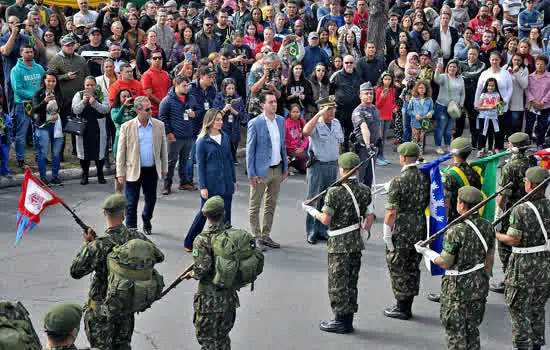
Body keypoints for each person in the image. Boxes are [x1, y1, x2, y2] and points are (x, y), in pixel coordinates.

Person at [70, 194, 164, 349]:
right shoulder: (136, 237)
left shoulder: (99, 245)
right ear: (124, 213)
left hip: (101, 309)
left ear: (105, 213)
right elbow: (159, 256)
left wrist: (87, 245)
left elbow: (75, 271)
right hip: (125, 305)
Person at [415, 186, 495, 350]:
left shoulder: (456, 230)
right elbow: (490, 257)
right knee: (472, 329)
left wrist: (427, 252)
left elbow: (445, 262)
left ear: (462, 205)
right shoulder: (487, 226)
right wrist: (484, 278)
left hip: (457, 287)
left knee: (455, 333)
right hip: (479, 282)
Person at [302, 152, 373, 333]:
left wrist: (310, 211)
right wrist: (363, 231)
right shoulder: (365, 190)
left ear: (341, 170)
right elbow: (370, 216)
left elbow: (325, 219)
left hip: (339, 244)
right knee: (351, 281)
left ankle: (341, 321)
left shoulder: (335, 192)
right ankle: (347, 319)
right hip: (356, 242)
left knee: (338, 284)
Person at [496, 167, 550, 350]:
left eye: (526, 181)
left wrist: (496, 235)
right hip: (544, 264)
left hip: (523, 266)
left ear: (532, 185)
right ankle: (536, 345)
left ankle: (522, 345)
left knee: (519, 309)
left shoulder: (521, 210)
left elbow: (513, 239)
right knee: (537, 308)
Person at [427, 137, 483, 303]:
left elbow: (445, 202)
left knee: (450, 258)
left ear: (453, 153)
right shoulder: (474, 171)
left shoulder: (450, 175)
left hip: (455, 220)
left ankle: (448, 291)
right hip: (472, 218)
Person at [183, 196, 240, 349]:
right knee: (222, 339)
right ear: (223, 213)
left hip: (209, 301)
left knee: (208, 342)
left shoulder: (201, 240)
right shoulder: (232, 236)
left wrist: (193, 274)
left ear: (204, 215)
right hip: (228, 298)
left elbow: (202, 269)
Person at [382, 142, 430, 320]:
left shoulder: (398, 181)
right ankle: (407, 303)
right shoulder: (424, 177)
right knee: (412, 265)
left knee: (398, 266)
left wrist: (387, 233)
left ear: (402, 158)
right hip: (419, 224)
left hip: (402, 227)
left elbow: (391, 212)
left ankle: (402, 307)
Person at [184, 109, 236, 251]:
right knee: (204, 213)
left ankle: (223, 244)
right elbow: (200, 166)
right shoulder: (202, 141)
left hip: (226, 182)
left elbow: (230, 160)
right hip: (211, 184)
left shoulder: (225, 137)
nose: (220, 122)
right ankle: (189, 241)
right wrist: (203, 187)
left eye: (221, 119)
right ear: (210, 122)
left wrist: (234, 180)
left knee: (226, 213)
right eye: (217, 120)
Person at [490, 132, 535, 294]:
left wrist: (499, 213)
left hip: (511, 212)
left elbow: (503, 195)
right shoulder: (531, 163)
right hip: (530, 210)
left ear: (513, 147)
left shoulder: (510, 167)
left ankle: (509, 280)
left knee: (506, 248)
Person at [116, 96, 168, 234]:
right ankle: (131, 230)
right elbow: (121, 152)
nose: (151, 111)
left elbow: (163, 149)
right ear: (138, 110)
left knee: (151, 200)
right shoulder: (126, 127)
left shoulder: (159, 125)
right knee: (131, 202)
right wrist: (120, 173)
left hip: (151, 169)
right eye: (147, 109)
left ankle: (146, 219)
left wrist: (164, 168)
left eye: (151, 108)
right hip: (133, 170)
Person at [246, 91, 289, 251]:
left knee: (271, 204)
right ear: (262, 105)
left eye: (275, 102)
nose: (274, 104)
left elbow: (282, 145)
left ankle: (265, 235)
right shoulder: (255, 123)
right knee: (255, 205)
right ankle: (256, 237)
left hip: (277, 169)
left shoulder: (280, 120)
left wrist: (285, 167)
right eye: (270, 102)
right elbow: (250, 150)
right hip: (260, 172)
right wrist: (251, 173)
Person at [302, 98, 342, 244]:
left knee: (328, 199)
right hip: (318, 166)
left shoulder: (336, 123)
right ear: (322, 110)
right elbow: (305, 131)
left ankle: (323, 230)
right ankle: (311, 231)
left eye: (334, 109)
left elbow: (339, 143)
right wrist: (318, 115)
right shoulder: (316, 124)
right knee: (314, 198)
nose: (333, 112)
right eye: (329, 109)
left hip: (332, 165)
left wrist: (339, 162)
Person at [160, 76, 197, 195]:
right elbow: (163, 117)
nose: (187, 88)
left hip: (189, 136)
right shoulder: (167, 100)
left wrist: (195, 114)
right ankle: (167, 185)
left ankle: (184, 182)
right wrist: (169, 133)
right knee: (171, 162)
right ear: (176, 85)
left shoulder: (191, 99)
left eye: (187, 86)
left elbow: (200, 110)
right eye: (184, 86)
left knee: (185, 161)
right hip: (175, 137)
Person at [10, 45, 45, 167]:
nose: (30, 54)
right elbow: (17, 90)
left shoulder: (39, 68)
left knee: (39, 130)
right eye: (27, 52)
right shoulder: (16, 70)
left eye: (31, 52)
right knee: (22, 133)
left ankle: (40, 156)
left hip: (38, 104)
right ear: (21, 54)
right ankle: (20, 159)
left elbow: (44, 83)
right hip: (23, 105)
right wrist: (36, 95)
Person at [72, 76, 110, 185]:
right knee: (84, 152)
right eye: (87, 85)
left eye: (92, 85)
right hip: (84, 127)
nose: (90, 87)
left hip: (98, 127)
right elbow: (75, 110)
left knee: (99, 151)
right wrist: (83, 102)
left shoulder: (101, 94)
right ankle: (85, 175)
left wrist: (95, 103)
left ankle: (100, 174)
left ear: (96, 85)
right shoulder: (79, 95)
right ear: (84, 86)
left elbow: (106, 109)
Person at [32, 71, 63, 185]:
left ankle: (55, 176)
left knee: (56, 153)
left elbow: (64, 108)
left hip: (57, 126)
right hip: (43, 126)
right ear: (44, 81)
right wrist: (44, 101)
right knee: (43, 153)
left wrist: (58, 112)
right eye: (48, 80)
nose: (51, 83)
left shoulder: (59, 93)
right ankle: (43, 177)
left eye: (53, 81)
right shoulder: (38, 93)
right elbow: (35, 110)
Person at [351, 82, 380, 188]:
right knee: (360, 177)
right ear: (360, 96)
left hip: (373, 147)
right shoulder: (358, 112)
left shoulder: (374, 108)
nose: (369, 96)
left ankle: (367, 200)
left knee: (369, 178)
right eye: (366, 93)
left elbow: (377, 125)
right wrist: (368, 145)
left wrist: (379, 139)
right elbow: (364, 128)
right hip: (363, 148)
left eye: (371, 93)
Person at [433, 59, 465, 155]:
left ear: (457, 68)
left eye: (454, 67)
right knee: (441, 127)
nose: (452, 68)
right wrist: (437, 69)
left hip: (454, 108)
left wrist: (461, 103)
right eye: (450, 66)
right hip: (442, 106)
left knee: (450, 128)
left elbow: (463, 92)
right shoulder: (443, 77)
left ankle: (447, 145)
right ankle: (438, 146)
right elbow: (436, 79)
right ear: (447, 67)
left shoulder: (460, 78)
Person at [330, 55, 361, 150]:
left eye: (351, 62)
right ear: (343, 63)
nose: (349, 64)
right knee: (337, 131)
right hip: (340, 109)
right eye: (347, 62)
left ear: (354, 63)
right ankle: (336, 151)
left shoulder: (358, 75)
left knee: (350, 132)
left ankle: (347, 150)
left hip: (353, 109)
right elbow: (330, 91)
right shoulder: (336, 75)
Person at [457, 47, 485, 145]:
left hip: (474, 93)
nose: (471, 56)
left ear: (477, 55)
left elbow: (476, 74)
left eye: (473, 54)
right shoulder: (460, 63)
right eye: (470, 54)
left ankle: (474, 140)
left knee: (473, 117)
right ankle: (457, 140)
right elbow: (457, 74)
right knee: (459, 116)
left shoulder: (482, 64)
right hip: (462, 93)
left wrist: (463, 74)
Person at [213, 77, 245, 163]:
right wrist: (224, 109)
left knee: (234, 144)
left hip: (235, 127)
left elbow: (243, 117)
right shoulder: (218, 97)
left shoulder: (238, 99)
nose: (231, 90)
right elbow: (214, 114)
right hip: (223, 127)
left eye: (233, 88)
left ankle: (233, 157)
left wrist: (234, 111)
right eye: (229, 88)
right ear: (224, 88)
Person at [111, 88, 135, 194]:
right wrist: (124, 106)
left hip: (132, 141)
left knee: (132, 166)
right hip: (120, 140)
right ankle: (118, 193)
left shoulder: (133, 110)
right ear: (119, 98)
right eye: (123, 96)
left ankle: (131, 191)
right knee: (119, 167)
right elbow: (116, 119)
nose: (126, 98)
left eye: (127, 96)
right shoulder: (115, 109)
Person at [524, 54, 550, 150]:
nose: (539, 66)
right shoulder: (530, 76)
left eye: (542, 64)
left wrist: (543, 101)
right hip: (531, 105)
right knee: (529, 126)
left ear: (546, 65)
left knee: (542, 126)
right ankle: (525, 144)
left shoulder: (549, 76)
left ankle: (540, 144)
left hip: (544, 106)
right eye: (538, 64)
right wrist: (533, 100)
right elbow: (527, 89)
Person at [406, 80, 433, 157]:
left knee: (421, 139)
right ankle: (413, 155)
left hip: (425, 123)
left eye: (423, 88)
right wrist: (415, 115)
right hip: (415, 122)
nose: (421, 90)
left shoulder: (429, 99)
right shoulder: (413, 99)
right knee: (415, 139)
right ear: (417, 89)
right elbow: (408, 110)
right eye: (420, 88)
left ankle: (420, 156)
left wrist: (431, 113)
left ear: (426, 89)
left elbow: (432, 109)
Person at [476, 78, 502, 156]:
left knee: (491, 133)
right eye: (489, 85)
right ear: (486, 86)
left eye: (492, 86)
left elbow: (496, 106)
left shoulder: (497, 94)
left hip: (493, 117)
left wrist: (485, 106)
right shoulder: (483, 95)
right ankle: (481, 149)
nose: (490, 87)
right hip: (483, 117)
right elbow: (478, 106)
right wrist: (489, 107)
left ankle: (490, 149)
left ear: (495, 86)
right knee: (482, 133)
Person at [141, 50, 170, 118]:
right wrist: (162, 104)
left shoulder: (166, 74)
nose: (157, 60)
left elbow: (169, 91)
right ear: (150, 60)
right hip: (153, 112)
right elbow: (149, 94)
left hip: (166, 111)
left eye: (159, 58)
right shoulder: (146, 75)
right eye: (155, 58)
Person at [284, 103, 308, 174]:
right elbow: (281, 140)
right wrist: (284, 154)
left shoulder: (302, 121)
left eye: (297, 112)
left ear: (300, 113)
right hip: (287, 149)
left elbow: (306, 137)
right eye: (293, 112)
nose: (295, 114)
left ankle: (294, 164)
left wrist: (302, 148)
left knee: (305, 168)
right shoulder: (285, 123)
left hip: (297, 148)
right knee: (301, 156)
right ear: (290, 113)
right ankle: (287, 162)